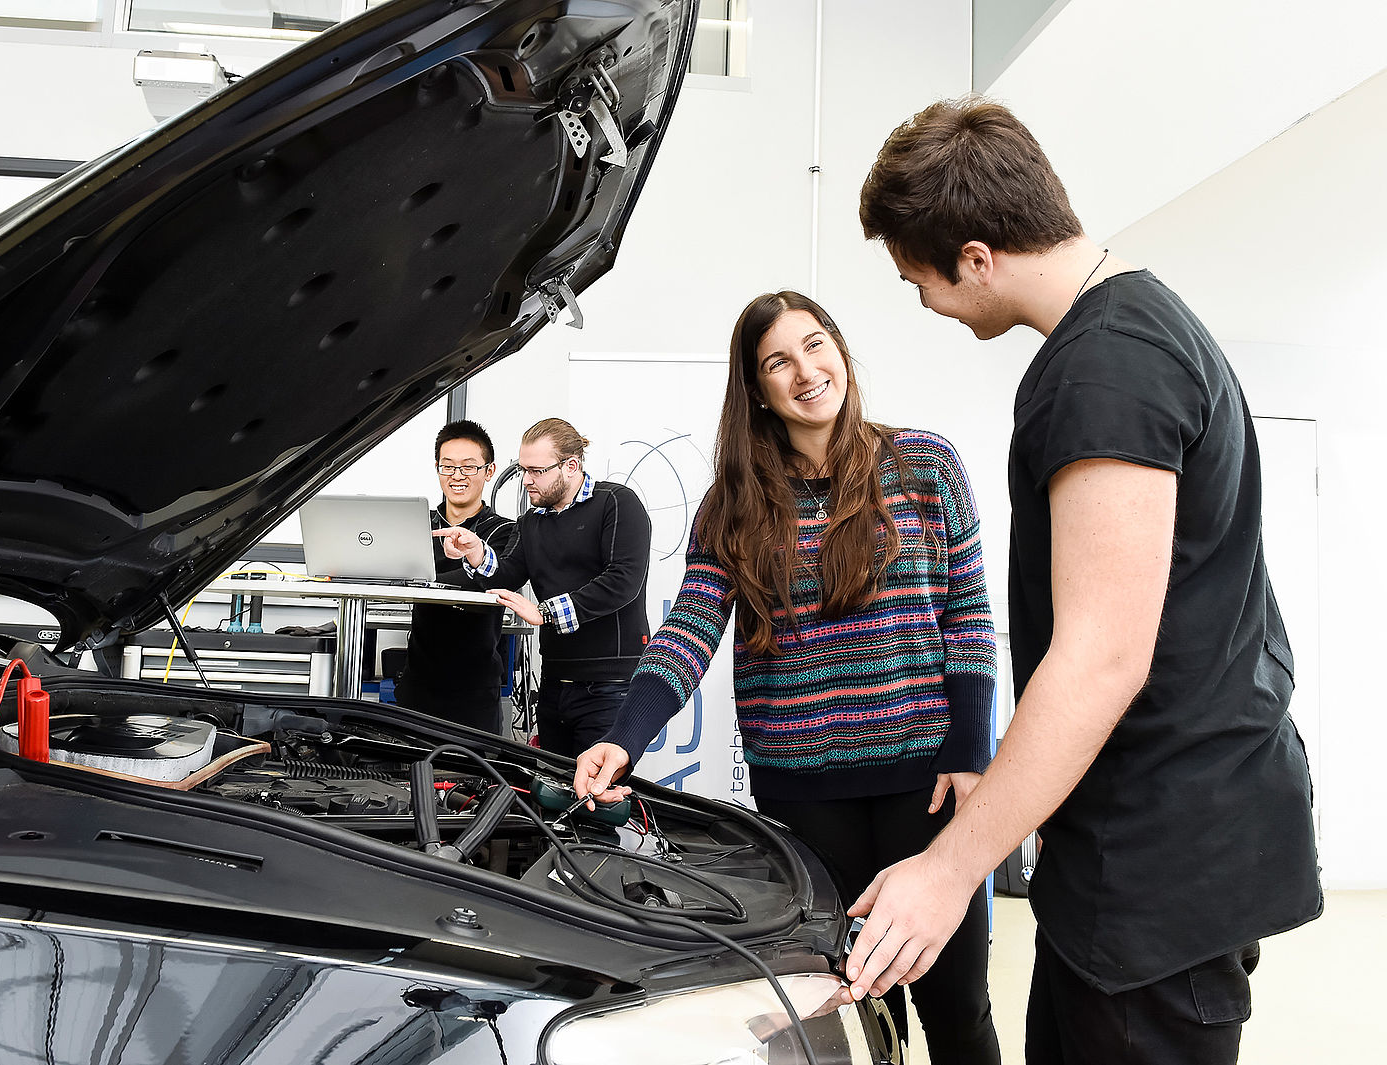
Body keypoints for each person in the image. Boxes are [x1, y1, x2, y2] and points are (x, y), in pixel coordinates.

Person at [844, 96, 1322, 1064]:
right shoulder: (1138, 326)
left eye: (917, 282)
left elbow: (1102, 656)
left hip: (1155, 873)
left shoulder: (1107, 367)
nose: (926, 305)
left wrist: (948, 873)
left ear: (975, 258)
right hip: (1127, 855)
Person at [573, 291, 1002, 1064]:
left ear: (840, 348)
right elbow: (691, 629)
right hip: (804, 791)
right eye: (779, 361)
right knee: (843, 1001)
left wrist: (971, 749)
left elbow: (968, 613)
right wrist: (623, 739)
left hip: (927, 783)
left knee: (956, 999)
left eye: (816, 344)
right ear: (757, 388)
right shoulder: (732, 506)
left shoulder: (926, 465)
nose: (806, 370)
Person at [435, 418, 651, 757]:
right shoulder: (532, 521)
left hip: (611, 685)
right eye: (523, 470)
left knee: (597, 797)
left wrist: (545, 613)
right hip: (555, 681)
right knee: (553, 791)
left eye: (536, 471)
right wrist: (475, 553)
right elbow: (506, 574)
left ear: (571, 466)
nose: (526, 481)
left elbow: (623, 581)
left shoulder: (616, 503)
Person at [395, 420, 519, 735]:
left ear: (489, 471)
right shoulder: (416, 527)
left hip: (475, 690)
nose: (457, 476)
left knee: (475, 781)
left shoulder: (504, 531)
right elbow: (397, 575)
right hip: (417, 684)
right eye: (447, 467)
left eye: (468, 467)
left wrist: (430, 578)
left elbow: (493, 582)